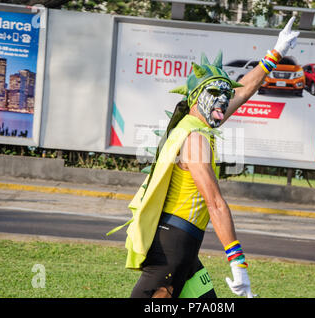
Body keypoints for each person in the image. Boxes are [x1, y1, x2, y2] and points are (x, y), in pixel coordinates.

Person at [107, 16, 300, 298]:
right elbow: (215, 203)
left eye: (224, 94)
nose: (223, 99)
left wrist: (277, 52)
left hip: (184, 249)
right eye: (216, 93)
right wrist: (238, 262)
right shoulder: (195, 138)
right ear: (197, 98)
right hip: (171, 252)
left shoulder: (199, 122)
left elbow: (244, 89)